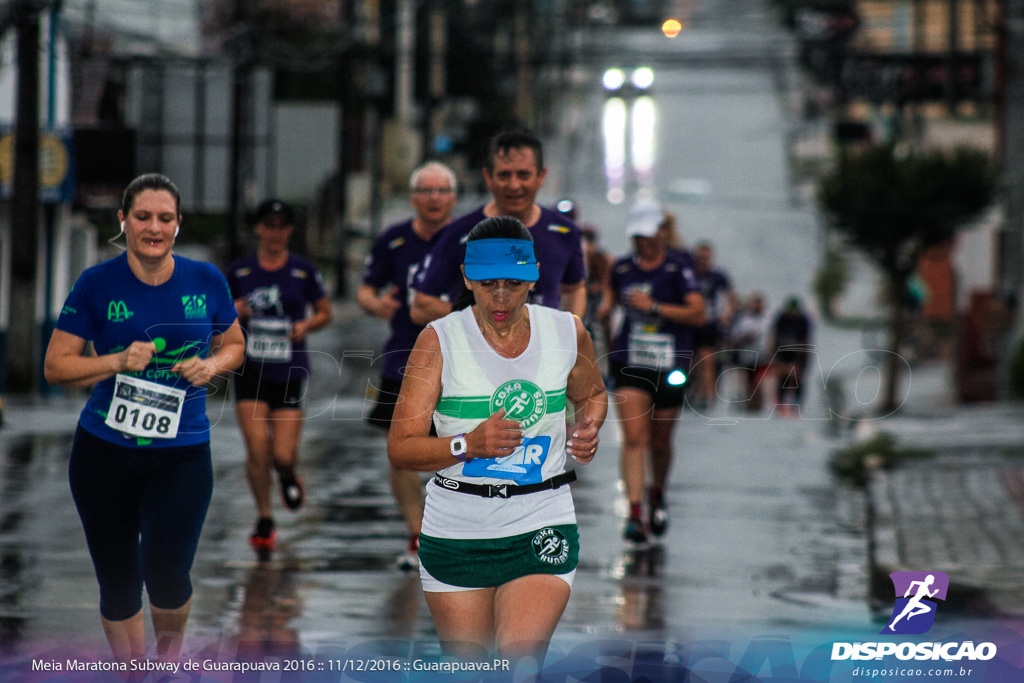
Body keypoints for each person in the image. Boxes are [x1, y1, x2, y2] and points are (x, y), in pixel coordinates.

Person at [44, 173, 245, 666]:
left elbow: (236, 344)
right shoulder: (96, 283)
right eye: (143, 217)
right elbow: (55, 366)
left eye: (165, 218)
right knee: (117, 582)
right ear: (123, 221)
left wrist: (212, 365)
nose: (153, 228)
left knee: (168, 573)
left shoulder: (206, 280)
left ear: (178, 224)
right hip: (104, 454)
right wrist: (114, 361)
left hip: (181, 455)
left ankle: (167, 664)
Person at [388, 216, 607, 663]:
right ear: (467, 278)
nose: (501, 297)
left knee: (519, 662)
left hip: (540, 517)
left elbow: (593, 395)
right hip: (457, 528)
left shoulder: (567, 331)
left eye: (513, 283)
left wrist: (588, 427)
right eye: (488, 284)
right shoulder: (438, 340)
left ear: (535, 276)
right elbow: (401, 447)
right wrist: (467, 444)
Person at [357, 161, 458, 570]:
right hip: (403, 357)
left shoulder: (467, 239)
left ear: (453, 196)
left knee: (456, 449)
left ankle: (452, 531)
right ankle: (417, 536)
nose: (434, 199)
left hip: (458, 359)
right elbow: (366, 288)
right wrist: (374, 304)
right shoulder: (395, 240)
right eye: (426, 191)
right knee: (400, 453)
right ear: (413, 197)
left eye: (441, 191)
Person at [226, 199, 332, 552]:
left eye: (282, 225)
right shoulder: (239, 272)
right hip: (249, 369)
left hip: (289, 368)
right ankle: (265, 517)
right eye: (268, 225)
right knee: (257, 448)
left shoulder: (302, 270)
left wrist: (306, 324)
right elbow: (217, 316)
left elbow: (324, 312)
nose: (275, 232)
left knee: (282, 454)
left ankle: (288, 475)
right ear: (258, 228)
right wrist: (234, 311)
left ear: (289, 230)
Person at [597, 199, 704, 545]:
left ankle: (657, 492)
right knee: (634, 439)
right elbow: (609, 299)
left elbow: (697, 314)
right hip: (630, 360)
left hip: (670, 365)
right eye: (637, 236)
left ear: (660, 232)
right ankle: (634, 511)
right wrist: (604, 308)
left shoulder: (678, 267)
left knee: (660, 441)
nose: (643, 242)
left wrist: (656, 307)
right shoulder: (623, 268)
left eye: (648, 235)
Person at [410, 128, 586, 326]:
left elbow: (574, 289)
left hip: (543, 355)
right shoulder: (459, 233)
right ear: (488, 177)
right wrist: (480, 319)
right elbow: (421, 307)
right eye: (504, 175)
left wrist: (573, 329)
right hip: (475, 354)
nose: (513, 185)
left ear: (541, 175)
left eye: (523, 175)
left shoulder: (565, 232)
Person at [691, 242, 737, 411]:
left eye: (706, 258)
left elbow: (730, 298)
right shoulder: (689, 275)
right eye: (700, 258)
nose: (703, 261)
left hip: (708, 325)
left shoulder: (718, 277)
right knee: (688, 359)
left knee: (707, 359)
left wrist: (727, 315)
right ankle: (690, 390)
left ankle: (707, 397)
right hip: (689, 323)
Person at [728, 293, 771, 412]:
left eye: (760, 303)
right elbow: (733, 338)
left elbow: (773, 337)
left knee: (759, 380)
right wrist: (745, 337)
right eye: (755, 303)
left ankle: (758, 406)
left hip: (763, 356)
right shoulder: (744, 320)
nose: (758, 305)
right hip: (747, 356)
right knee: (748, 381)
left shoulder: (768, 319)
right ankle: (750, 405)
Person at [772, 296, 813, 417]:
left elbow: (804, 342)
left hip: (799, 352)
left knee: (797, 378)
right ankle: (780, 405)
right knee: (782, 377)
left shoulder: (803, 320)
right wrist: (776, 358)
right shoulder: (781, 318)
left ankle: (796, 405)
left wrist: (799, 362)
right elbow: (775, 338)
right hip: (783, 351)